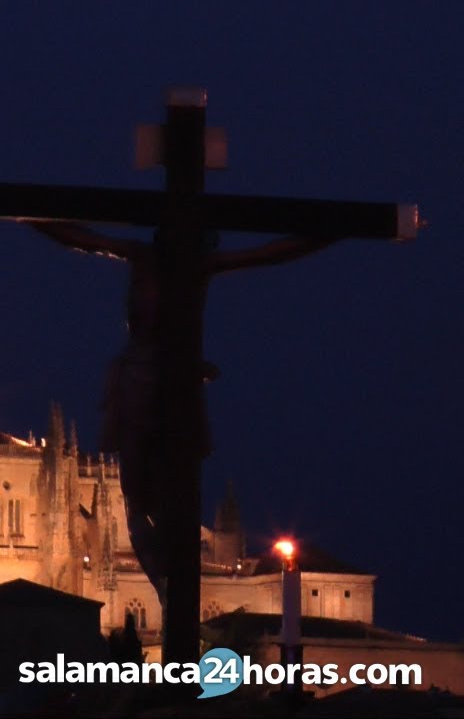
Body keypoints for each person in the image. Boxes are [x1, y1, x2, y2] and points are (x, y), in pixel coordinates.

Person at [27, 221, 339, 600]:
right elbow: (270, 252)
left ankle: (167, 585)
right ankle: (168, 585)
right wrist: (331, 233)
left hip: (157, 380)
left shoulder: (152, 258)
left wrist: (24, 215)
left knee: (148, 497)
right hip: (168, 381)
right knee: (153, 496)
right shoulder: (191, 263)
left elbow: (80, 238)